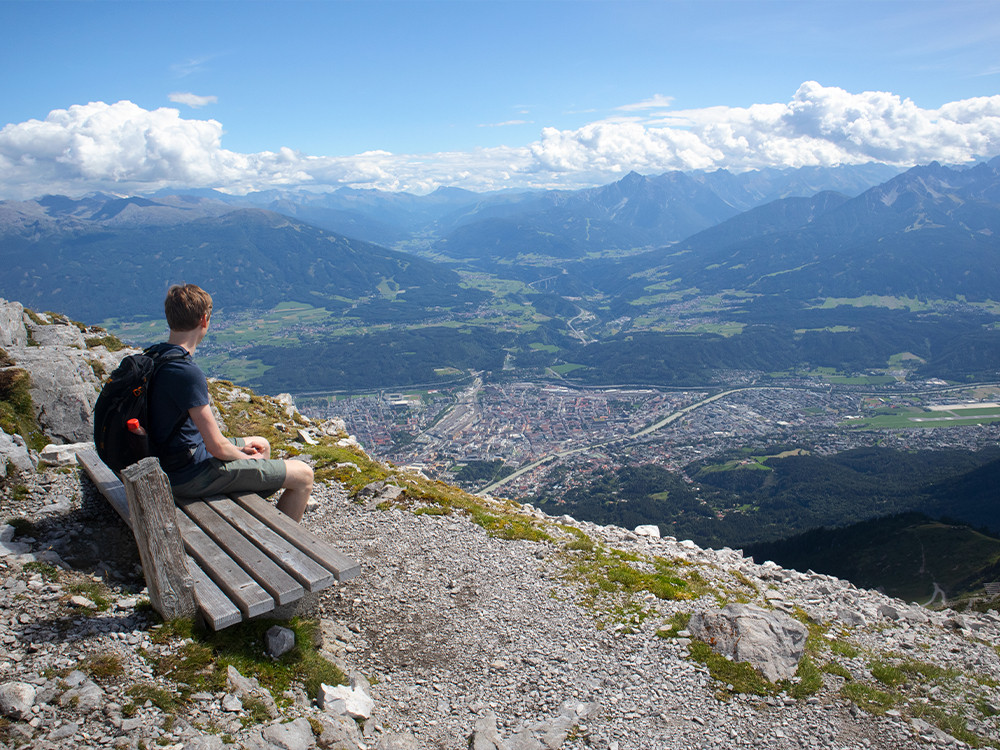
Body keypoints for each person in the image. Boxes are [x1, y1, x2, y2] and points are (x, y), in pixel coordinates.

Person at [145, 284, 315, 521]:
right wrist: (247, 459)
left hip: (170, 459)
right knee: (304, 475)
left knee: (262, 444)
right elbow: (216, 446)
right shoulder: (186, 372)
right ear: (204, 320)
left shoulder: (154, 356)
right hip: (186, 474)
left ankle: (251, 516)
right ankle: (282, 550)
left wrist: (241, 452)